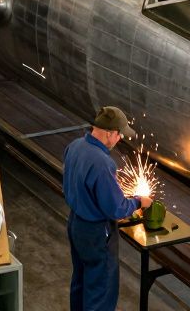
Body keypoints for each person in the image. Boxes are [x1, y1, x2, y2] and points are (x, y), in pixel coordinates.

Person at [63, 106, 153, 311]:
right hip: (96, 233)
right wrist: (139, 202)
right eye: (119, 134)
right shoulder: (102, 162)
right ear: (109, 133)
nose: (120, 138)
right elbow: (116, 209)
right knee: (100, 290)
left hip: (75, 224)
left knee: (81, 280)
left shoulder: (75, 146)